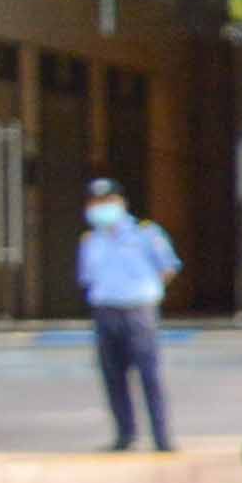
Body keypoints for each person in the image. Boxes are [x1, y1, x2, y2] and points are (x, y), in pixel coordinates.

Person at [74, 176, 178, 453]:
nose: (101, 207)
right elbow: (87, 278)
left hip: (138, 311)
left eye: (107, 201)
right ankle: (124, 434)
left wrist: (147, 292)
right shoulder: (90, 240)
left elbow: (168, 267)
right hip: (105, 312)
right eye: (96, 202)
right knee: (112, 376)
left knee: (149, 375)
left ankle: (161, 436)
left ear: (121, 202)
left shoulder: (145, 233)